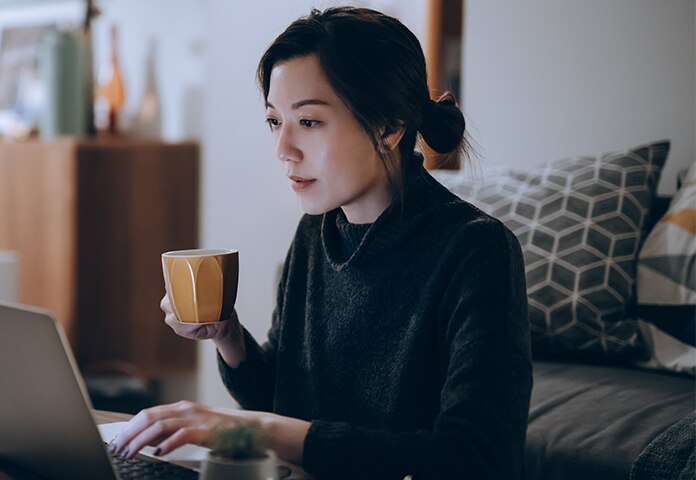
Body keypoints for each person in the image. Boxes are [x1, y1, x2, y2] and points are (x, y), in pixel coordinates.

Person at [108, 6, 532, 479]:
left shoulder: (477, 251)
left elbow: (477, 460)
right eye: (274, 121)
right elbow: (283, 399)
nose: (282, 149)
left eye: (308, 122)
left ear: (388, 126)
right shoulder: (317, 231)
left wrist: (251, 428)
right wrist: (226, 333)